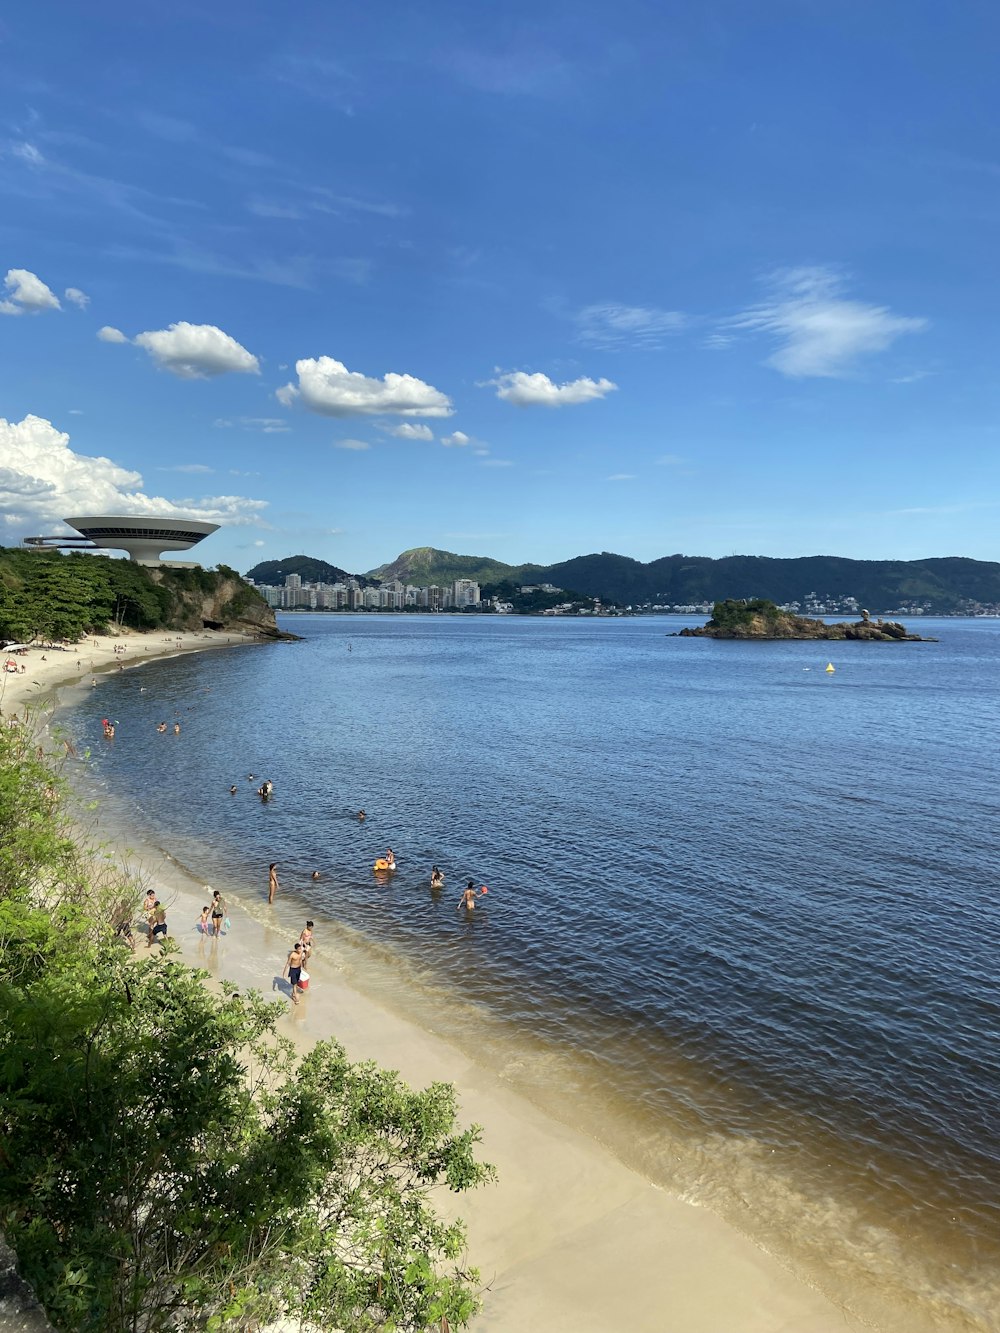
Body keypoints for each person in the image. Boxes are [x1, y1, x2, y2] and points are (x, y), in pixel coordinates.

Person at [284, 940, 305, 1005]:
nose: (300, 950)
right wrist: (284, 972)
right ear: (295, 949)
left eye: (300, 949)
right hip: (293, 969)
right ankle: (296, 998)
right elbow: (288, 963)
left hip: (298, 969)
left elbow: (301, 960)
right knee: (295, 984)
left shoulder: (301, 952)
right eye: (298, 949)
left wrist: (302, 967)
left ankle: (293, 994)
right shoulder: (292, 955)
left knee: (296, 983)